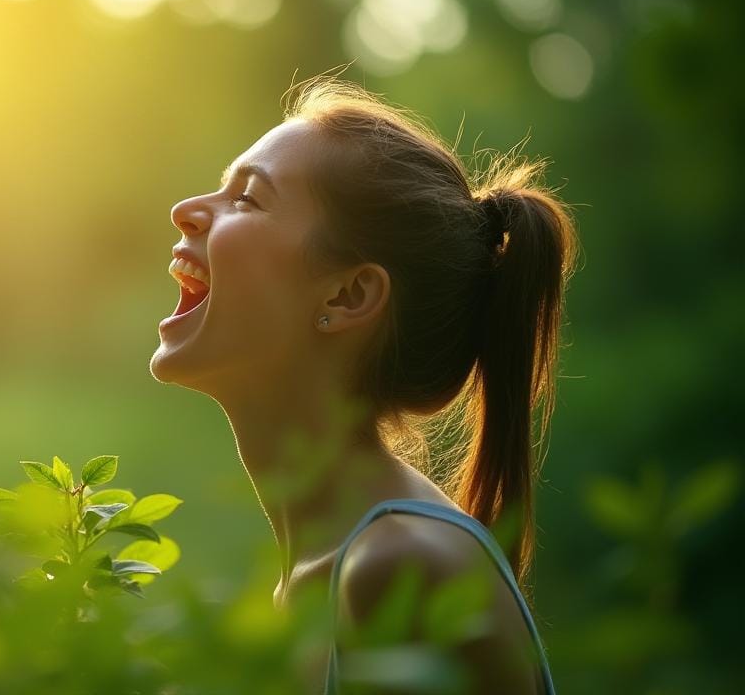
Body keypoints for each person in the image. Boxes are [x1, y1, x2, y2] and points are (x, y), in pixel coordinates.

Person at [149, 76, 578, 694]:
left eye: (247, 198)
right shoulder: (338, 568)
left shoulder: (399, 569)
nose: (186, 210)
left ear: (347, 295)